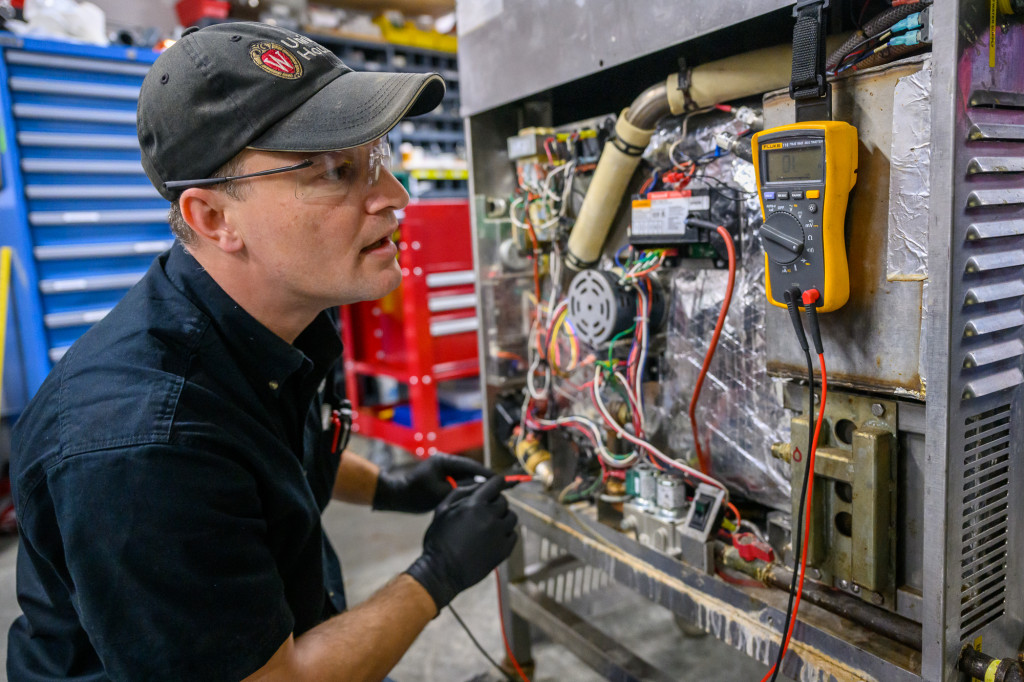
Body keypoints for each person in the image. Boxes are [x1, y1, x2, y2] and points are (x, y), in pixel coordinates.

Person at [7, 22, 518, 682]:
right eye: (337, 170)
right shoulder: (142, 449)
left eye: (379, 156)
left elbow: (274, 448)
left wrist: (390, 487)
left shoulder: (274, 322)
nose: (396, 196)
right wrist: (436, 575)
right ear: (215, 219)